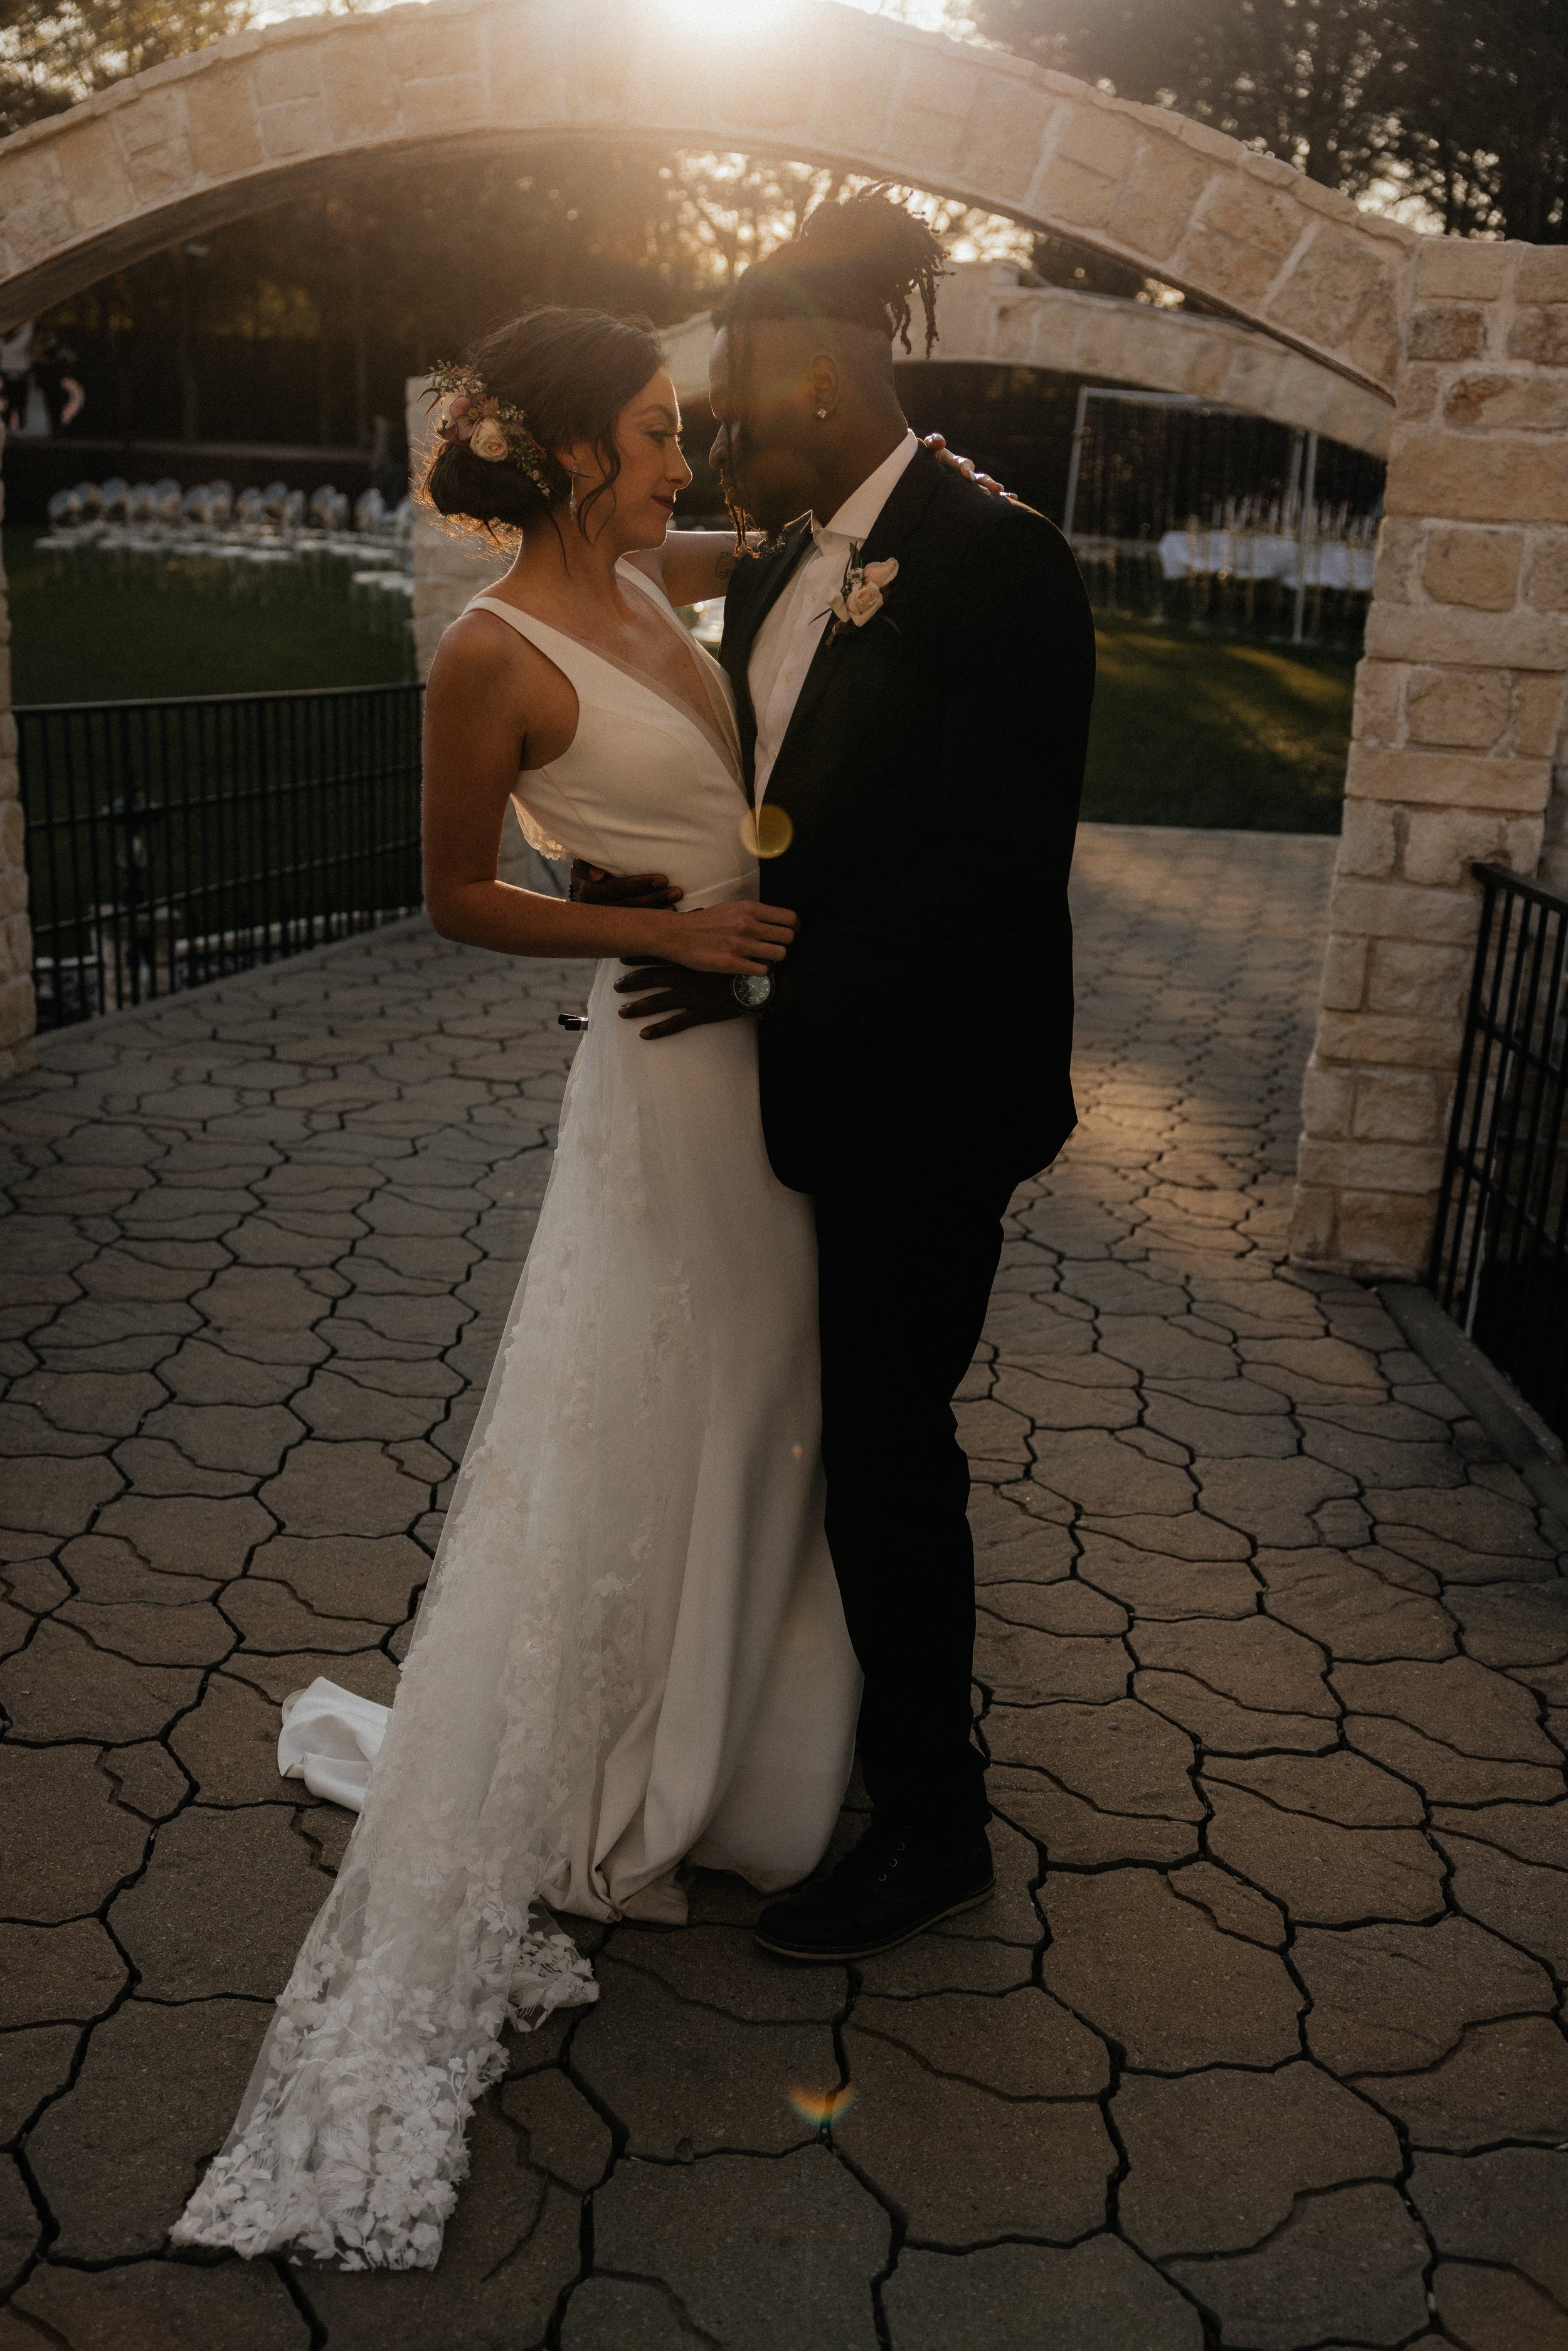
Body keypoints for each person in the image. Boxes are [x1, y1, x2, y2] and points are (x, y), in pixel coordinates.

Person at [171, 291, 982, 2273]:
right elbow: (454, 893)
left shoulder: (670, 569)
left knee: (778, 1388)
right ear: (555, 448)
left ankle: (769, 1724)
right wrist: (664, 917)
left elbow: (849, 542)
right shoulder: (488, 651)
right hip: (666, 1064)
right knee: (688, 1384)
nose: (676, 458)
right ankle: (659, 1753)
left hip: (772, 1045)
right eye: (641, 428)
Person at [588, 189, 1095, 1962]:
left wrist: (757, 1001)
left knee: (889, 1446)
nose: (719, 435)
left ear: (816, 378)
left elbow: (988, 876)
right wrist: (662, 902)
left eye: (730, 403)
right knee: (831, 1432)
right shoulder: (792, 563)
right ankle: (832, 1733)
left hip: (928, 1102)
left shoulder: (997, 559)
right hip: (801, 1089)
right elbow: (777, 815)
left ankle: (936, 1826)